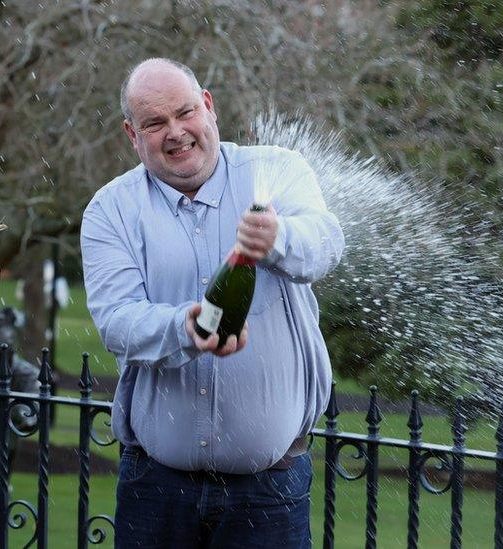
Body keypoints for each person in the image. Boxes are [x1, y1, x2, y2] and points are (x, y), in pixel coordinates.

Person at [80, 58, 344, 547]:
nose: (176, 132)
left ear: (208, 106)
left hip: (269, 492)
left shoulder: (275, 171)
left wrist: (279, 238)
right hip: (155, 489)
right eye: (155, 123)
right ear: (131, 135)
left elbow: (325, 245)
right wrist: (187, 327)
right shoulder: (110, 210)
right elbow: (117, 321)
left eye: (184, 113)